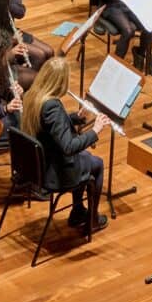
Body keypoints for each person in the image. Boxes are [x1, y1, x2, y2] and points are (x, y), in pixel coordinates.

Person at [21, 55, 105, 231]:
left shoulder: (33, 96)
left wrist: (77, 117)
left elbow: (51, 126)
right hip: (53, 172)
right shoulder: (52, 106)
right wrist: (95, 131)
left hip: (37, 165)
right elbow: (68, 147)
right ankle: (92, 220)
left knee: (84, 157)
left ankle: (78, 211)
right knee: (97, 164)